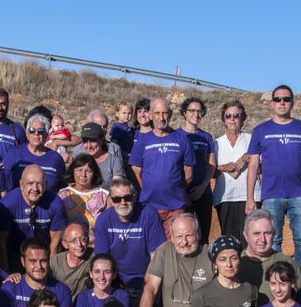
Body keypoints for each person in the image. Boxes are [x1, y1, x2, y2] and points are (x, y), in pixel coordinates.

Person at [245, 84, 301, 272]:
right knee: (273, 239)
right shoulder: (260, 130)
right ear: (271, 104)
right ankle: (276, 276)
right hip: (271, 194)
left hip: (299, 194)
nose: (282, 103)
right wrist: (250, 197)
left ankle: (299, 278)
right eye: (278, 99)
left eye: (286, 99)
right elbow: (253, 165)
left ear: (292, 102)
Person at [136, 213, 212, 307]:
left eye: (189, 235)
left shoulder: (210, 256)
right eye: (178, 237)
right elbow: (150, 288)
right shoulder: (165, 250)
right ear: (171, 236)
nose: (184, 242)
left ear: (199, 234)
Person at [93, 177, 166, 307]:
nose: (122, 203)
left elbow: (156, 258)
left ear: (134, 196)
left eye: (127, 198)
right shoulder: (104, 219)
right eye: (117, 199)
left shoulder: (149, 214)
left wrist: (147, 288)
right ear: (110, 200)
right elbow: (102, 260)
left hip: (146, 277)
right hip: (115, 280)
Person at [130, 97, 196, 238]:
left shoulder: (182, 139)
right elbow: (136, 171)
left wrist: (174, 189)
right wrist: (149, 189)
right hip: (149, 206)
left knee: (174, 248)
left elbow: (188, 174)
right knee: (150, 248)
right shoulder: (142, 141)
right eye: (157, 113)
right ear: (150, 115)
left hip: (175, 207)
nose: (161, 117)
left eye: (165, 113)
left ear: (170, 114)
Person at [0, 165, 68, 271]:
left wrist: (49, 271)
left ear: (46, 184)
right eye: (30, 183)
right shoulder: (7, 205)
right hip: (15, 255)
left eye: (40, 184)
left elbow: (55, 241)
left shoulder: (56, 204)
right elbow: (0, 241)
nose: (35, 189)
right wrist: (6, 272)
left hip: (43, 255)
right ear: (21, 184)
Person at [0, 238, 74, 307]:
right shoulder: (10, 288)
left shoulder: (62, 290)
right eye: (33, 261)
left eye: (43, 261)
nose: (39, 266)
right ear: (23, 261)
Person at [238, 209, 301, 306]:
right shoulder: (235, 264)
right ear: (246, 235)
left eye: (267, 233)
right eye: (256, 234)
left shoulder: (287, 263)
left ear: (274, 234)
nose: (262, 239)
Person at [213, 100, 258, 245]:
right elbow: (210, 171)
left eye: (236, 116)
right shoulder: (216, 143)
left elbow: (262, 168)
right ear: (224, 120)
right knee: (230, 240)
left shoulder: (252, 139)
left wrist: (253, 160)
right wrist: (223, 167)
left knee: (251, 239)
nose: (232, 119)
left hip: (249, 197)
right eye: (228, 116)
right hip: (225, 196)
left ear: (242, 118)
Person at [178, 97, 217, 244]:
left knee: (203, 235)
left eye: (199, 111)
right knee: (185, 235)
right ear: (184, 113)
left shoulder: (206, 137)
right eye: (192, 110)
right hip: (182, 193)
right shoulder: (176, 136)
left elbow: (212, 164)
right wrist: (183, 192)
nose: (196, 114)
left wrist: (202, 188)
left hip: (203, 192)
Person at [2, 114, 67, 195]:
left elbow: (62, 189)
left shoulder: (56, 158)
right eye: (32, 130)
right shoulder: (14, 153)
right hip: (17, 205)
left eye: (41, 131)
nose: (36, 133)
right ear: (27, 134)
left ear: (46, 135)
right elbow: (2, 181)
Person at [56, 153, 109, 238]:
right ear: (73, 171)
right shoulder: (62, 195)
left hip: (96, 246)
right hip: (68, 246)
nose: (83, 175)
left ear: (94, 173)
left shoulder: (105, 195)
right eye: (79, 170)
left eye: (88, 171)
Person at [77, 122, 127, 191]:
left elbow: (118, 188)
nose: (89, 146)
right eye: (85, 141)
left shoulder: (114, 161)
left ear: (102, 139)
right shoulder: (79, 160)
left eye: (93, 141)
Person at [50, 221, 93, 299]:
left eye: (83, 239)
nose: (79, 244)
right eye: (74, 241)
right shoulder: (55, 262)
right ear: (65, 244)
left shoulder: (94, 259)